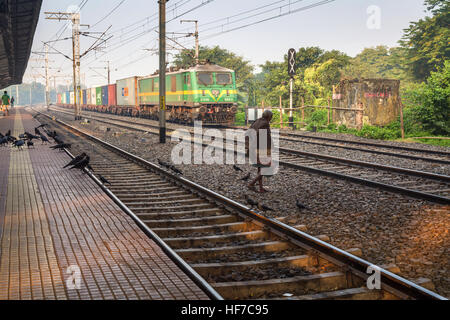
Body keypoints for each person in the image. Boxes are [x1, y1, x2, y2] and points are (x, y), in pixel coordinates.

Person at [246, 110, 273, 193]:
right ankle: (252, 183)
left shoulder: (256, 121)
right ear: (269, 117)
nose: (271, 119)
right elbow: (265, 138)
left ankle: (261, 188)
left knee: (260, 168)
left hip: (252, 147)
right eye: (271, 117)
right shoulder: (265, 124)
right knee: (266, 167)